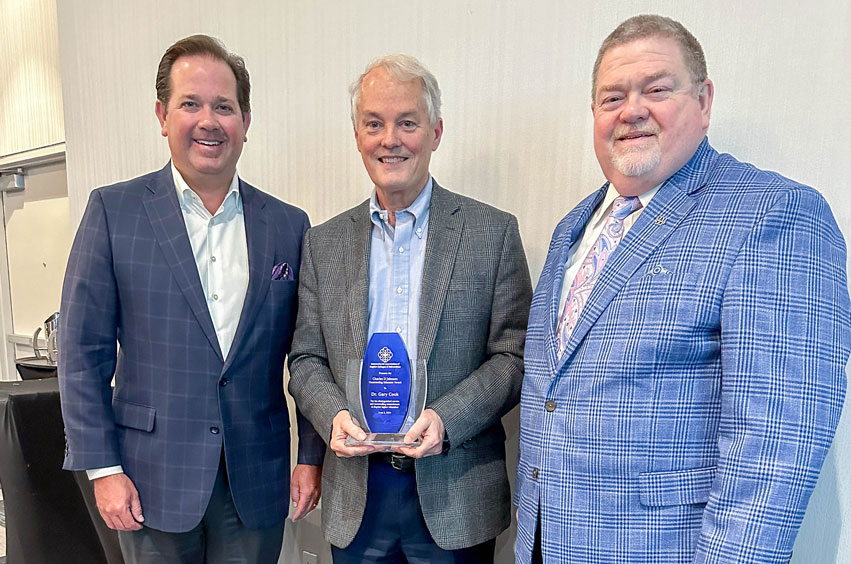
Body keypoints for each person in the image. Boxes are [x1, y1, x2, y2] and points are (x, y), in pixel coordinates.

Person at [515, 14, 850, 564]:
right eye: (612, 97)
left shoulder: (775, 215)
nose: (632, 110)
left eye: (657, 89)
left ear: (704, 101)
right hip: (546, 544)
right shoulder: (572, 228)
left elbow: (774, 447)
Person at [58, 34, 324, 563]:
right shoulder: (115, 213)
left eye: (224, 107)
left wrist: (310, 457)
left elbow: (311, 352)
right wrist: (103, 469)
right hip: (148, 481)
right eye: (191, 104)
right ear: (162, 116)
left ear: (245, 121)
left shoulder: (289, 226)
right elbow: (81, 352)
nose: (209, 121)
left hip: (256, 479)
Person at [288, 54, 532, 563]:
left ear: (436, 131)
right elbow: (306, 359)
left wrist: (447, 417)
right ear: (357, 134)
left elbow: (513, 357)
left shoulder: (492, 233)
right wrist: (332, 414)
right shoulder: (323, 243)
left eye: (407, 123)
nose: (389, 139)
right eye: (374, 123)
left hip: (456, 489)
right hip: (357, 493)